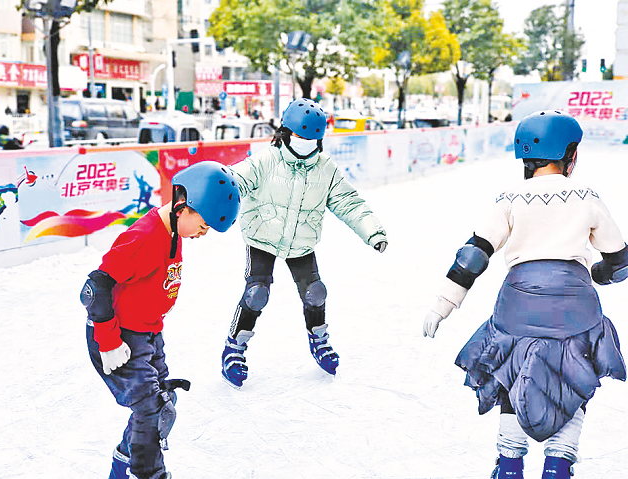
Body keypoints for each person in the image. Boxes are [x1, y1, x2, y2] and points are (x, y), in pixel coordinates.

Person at [422, 110, 627, 478]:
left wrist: (443, 304)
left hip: (518, 302)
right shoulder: (587, 196)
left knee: (511, 374)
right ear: (570, 155)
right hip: (575, 304)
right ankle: (558, 464)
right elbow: (620, 261)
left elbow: (473, 255)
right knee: (572, 375)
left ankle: (510, 464)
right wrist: (599, 272)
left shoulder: (510, 198)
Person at [81, 161, 240, 479]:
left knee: (162, 404)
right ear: (183, 207)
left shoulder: (172, 232)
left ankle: (123, 468)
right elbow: (96, 288)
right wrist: (109, 342)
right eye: (203, 225)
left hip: (146, 332)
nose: (202, 234)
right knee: (151, 411)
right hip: (117, 336)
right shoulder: (145, 236)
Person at [221, 97, 388, 389]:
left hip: (301, 242)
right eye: (299, 136)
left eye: (312, 138)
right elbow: (238, 180)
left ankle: (319, 339)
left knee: (315, 292)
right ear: (285, 132)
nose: (304, 142)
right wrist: (216, 196)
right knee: (257, 293)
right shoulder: (266, 159)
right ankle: (234, 348)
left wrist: (372, 231)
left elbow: (349, 203)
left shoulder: (325, 169)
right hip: (261, 236)